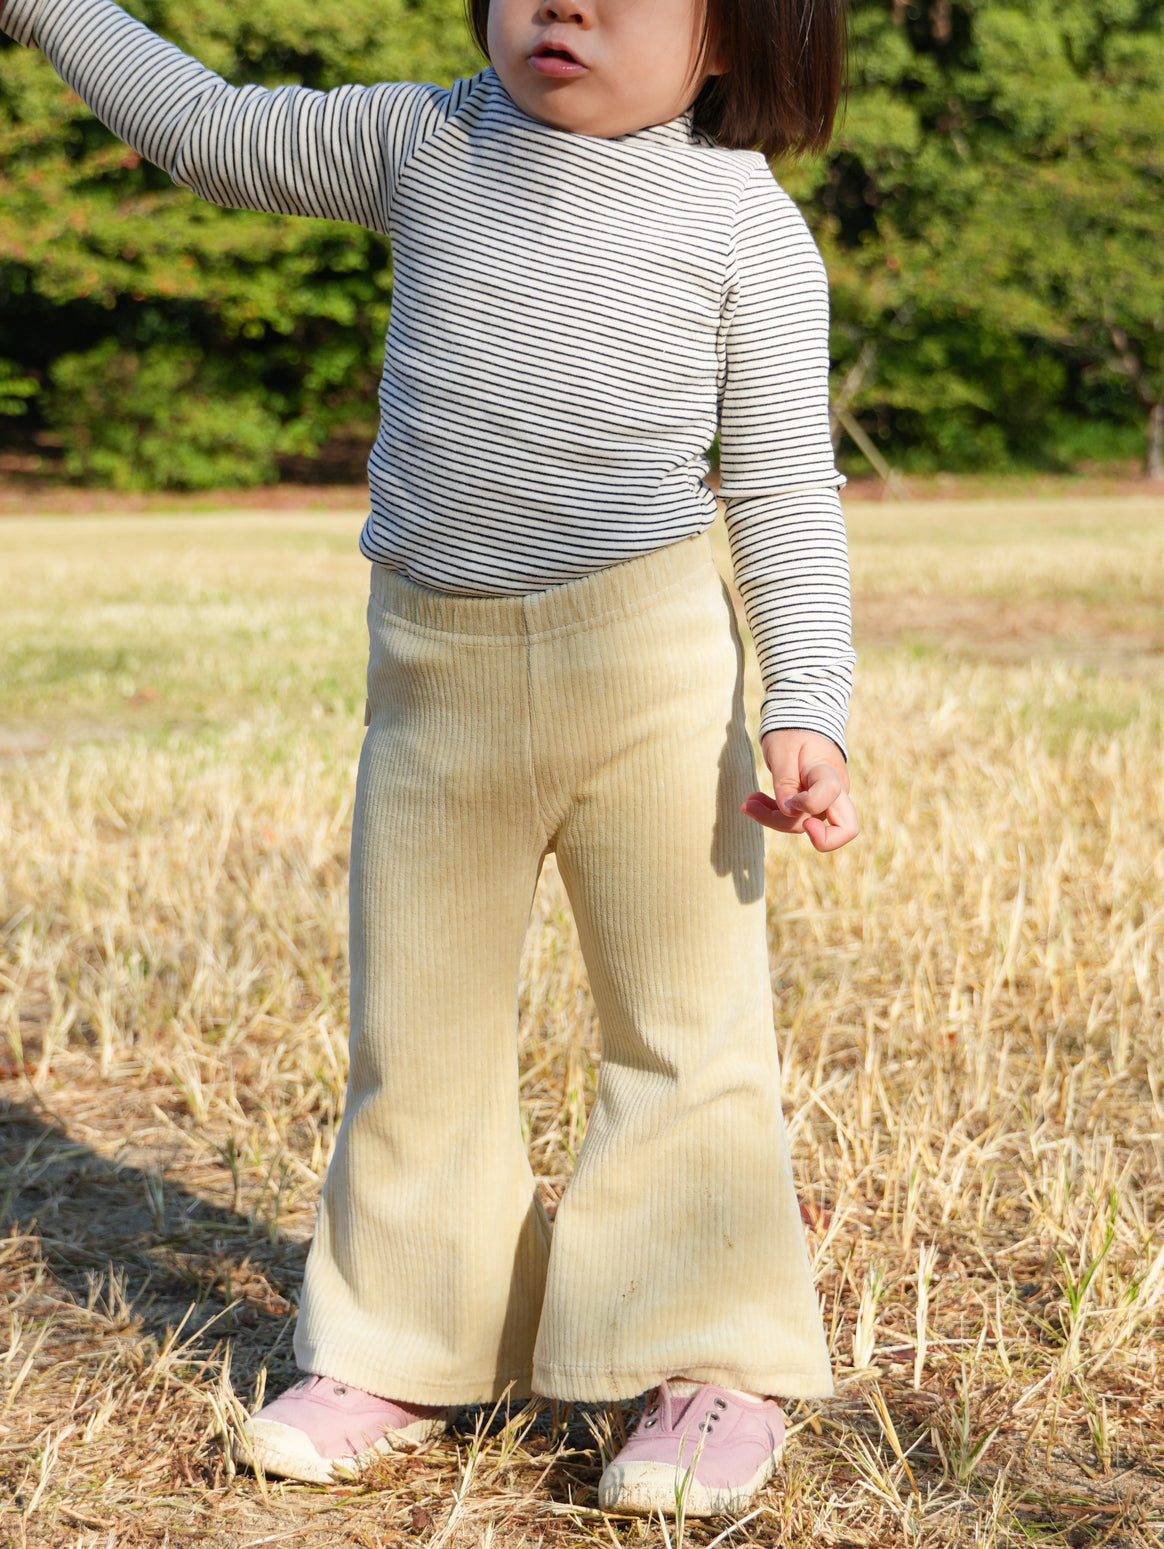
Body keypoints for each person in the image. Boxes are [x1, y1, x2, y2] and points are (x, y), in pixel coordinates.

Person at [1, 0, 859, 1517]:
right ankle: (403, 1344)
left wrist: (809, 700)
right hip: (434, 684)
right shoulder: (428, 136)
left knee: (685, 1027)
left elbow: (786, 481)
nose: (563, 2)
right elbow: (206, 127)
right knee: (420, 1031)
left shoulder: (744, 222)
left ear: (735, 34)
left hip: (650, 679)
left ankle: (709, 1357)